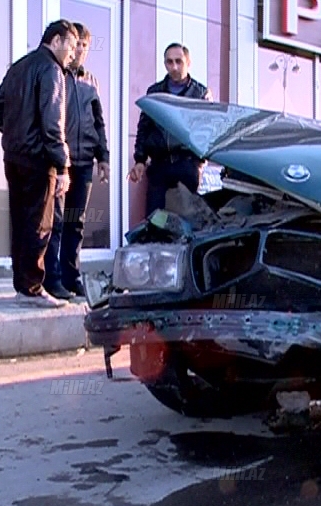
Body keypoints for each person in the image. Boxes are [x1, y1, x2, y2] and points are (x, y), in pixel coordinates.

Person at [0, 20, 78, 308]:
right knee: (39, 224)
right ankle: (32, 289)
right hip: (40, 161)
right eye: (71, 46)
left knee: (20, 222)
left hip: (14, 156)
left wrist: (17, 132)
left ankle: (24, 286)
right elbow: (53, 124)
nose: (73, 54)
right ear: (56, 40)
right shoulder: (52, 70)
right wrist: (64, 167)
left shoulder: (19, 66)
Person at [44, 22, 109, 300]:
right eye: (77, 44)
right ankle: (52, 278)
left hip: (84, 164)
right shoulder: (55, 74)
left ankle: (72, 277)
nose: (80, 49)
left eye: (84, 45)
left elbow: (99, 122)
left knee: (75, 222)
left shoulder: (91, 81)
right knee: (55, 221)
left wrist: (103, 157)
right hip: (61, 163)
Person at [128, 43, 212, 216]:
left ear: (188, 62)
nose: (174, 67)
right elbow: (144, 128)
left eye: (179, 61)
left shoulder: (200, 94)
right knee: (155, 219)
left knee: (189, 219)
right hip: (160, 165)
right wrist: (140, 160)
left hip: (187, 164)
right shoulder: (155, 92)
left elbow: (207, 132)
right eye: (169, 62)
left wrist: (200, 164)